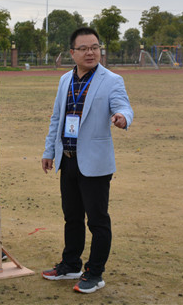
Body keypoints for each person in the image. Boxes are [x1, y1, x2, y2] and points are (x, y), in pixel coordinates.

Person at [41, 27, 133, 294]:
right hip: (68, 160)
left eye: (95, 47)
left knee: (97, 220)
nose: (90, 52)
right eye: (83, 48)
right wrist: (49, 151)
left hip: (95, 163)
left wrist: (122, 118)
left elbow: (123, 106)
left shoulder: (111, 80)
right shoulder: (64, 80)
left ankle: (95, 273)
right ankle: (71, 264)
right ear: (72, 52)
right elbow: (57, 118)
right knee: (71, 217)